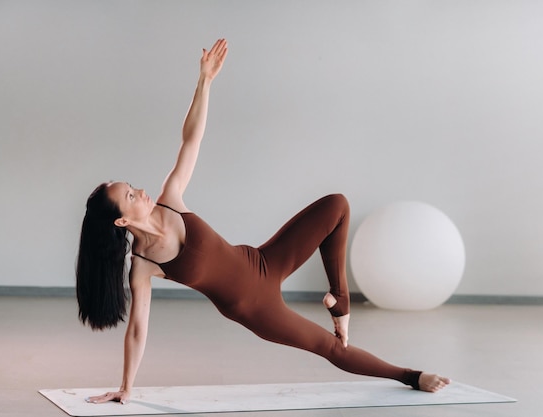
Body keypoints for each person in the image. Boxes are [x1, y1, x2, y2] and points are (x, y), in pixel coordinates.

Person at [76, 39, 450, 405]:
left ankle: (340, 300)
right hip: (255, 308)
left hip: (262, 260)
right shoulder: (143, 265)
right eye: (129, 195)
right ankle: (411, 376)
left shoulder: (170, 199)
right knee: (330, 348)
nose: (139, 191)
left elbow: (191, 139)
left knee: (337, 205)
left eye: (132, 186)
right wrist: (126, 387)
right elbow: (138, 329)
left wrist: (204, 81)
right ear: (122, 221)